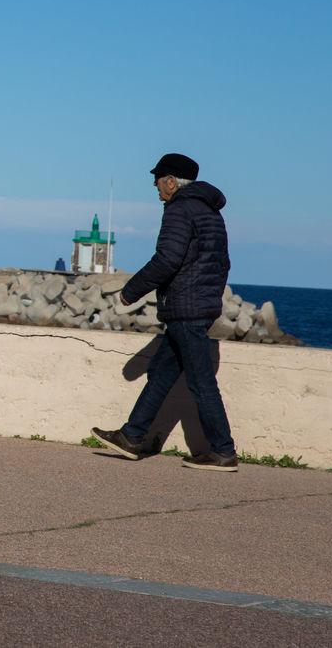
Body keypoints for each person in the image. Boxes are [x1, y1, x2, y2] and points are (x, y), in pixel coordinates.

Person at [92, 153, 238, 471]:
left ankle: (223, 451)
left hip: (186, 307)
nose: (155, 186)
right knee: (161, 373)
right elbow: (222, 262)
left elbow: (167, 259)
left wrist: (131, 291)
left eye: (157, 180)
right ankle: (132, 436)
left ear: (171, 181)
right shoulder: (210, 211)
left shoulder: (179, 209)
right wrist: (209, 297)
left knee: (201, 382)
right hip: (198, 305)